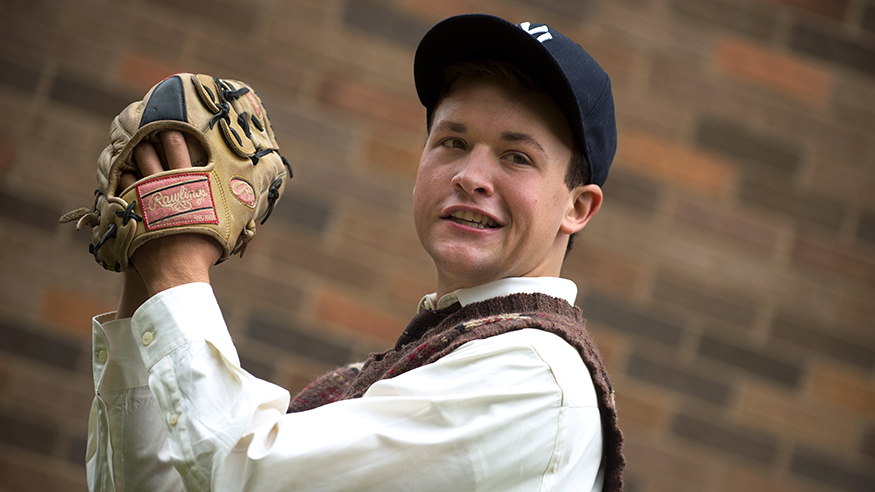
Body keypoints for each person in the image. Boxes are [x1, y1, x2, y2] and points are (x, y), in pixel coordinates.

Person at [86, 13, 624, 492]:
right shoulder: (414, 368)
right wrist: (148, 261)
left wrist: (178, 265)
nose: (470, 176)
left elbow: (243, 472)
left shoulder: (532, 379)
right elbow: (169, 479)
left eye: (516, 157)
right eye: (453, 142)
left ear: (578, 207)